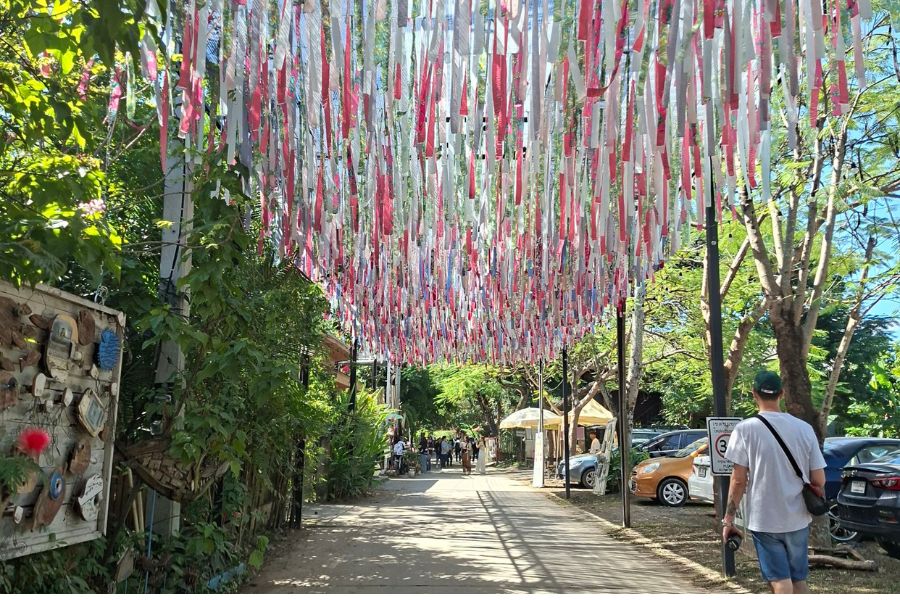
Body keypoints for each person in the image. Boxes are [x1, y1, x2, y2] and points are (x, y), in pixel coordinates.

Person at [722, 370, 827, 595]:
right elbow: (819, 480)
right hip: (798, 518)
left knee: (780, 582)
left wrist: (728, 519)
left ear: (753, 393)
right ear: (781, 393)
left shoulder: (745, 430)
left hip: (764, 519)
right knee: (798, 580)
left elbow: (739, 481)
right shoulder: (804, 429)